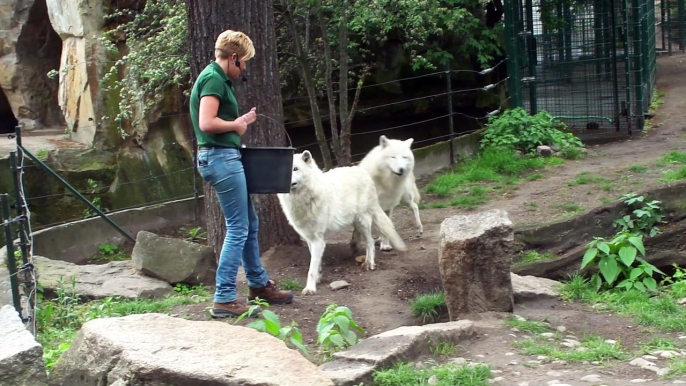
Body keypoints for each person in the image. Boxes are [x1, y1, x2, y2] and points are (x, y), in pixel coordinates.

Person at [189, 29, 293, 318]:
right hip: (220, 158)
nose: (244, 68)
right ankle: (224, 297)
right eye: (243, 62)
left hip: (222, 157)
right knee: (238, 228)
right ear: (233, 57)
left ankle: (259, 284)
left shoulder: (216, 78)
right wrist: (236, 125)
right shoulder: (213, 78)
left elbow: (216, 120)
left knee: (249, 223)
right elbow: (207, 122)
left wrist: (240, 121)